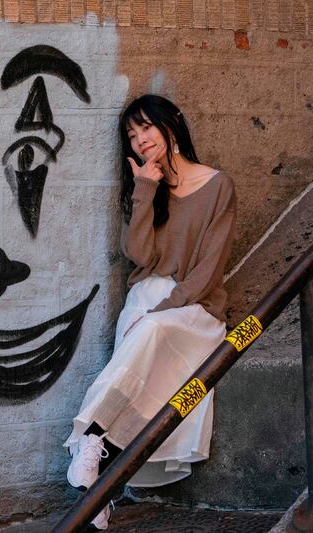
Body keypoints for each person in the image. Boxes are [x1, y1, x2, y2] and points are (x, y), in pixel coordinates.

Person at [64, 94, 236, 530]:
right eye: (132, 135)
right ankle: (99, 486)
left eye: (146, 127)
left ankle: (90, 438)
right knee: (140, 363)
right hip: (146, 298)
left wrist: (162, 310)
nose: (140, 140)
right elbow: (139, 257)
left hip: (194, 307)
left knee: (153, 332)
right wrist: (145, 189)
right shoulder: (144, 188)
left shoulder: (218, 186)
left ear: (171, 123)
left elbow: (208, 270)